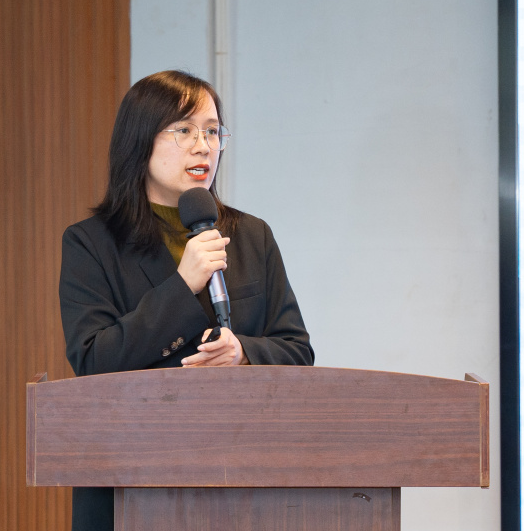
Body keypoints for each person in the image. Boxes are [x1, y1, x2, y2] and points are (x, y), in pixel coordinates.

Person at [58, 70, 314, 531]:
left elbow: (297, 350)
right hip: (131, 480)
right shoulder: (91, 244)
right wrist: (181, 286)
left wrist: (243, 353)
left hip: (243, 481)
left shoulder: (251, 235)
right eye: (184, 130)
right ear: (140, 142)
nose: (203, 147)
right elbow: (93, 360)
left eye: (213, 132)